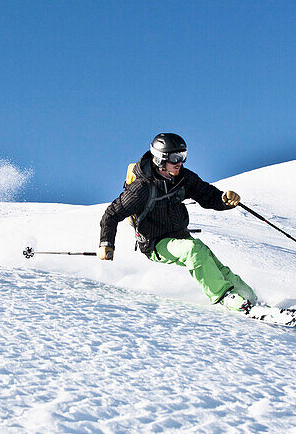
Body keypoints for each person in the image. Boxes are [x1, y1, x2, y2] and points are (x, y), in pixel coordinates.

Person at [98, 133, 259, 314]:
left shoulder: (183, 178)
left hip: (181, 236)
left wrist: (224, 200)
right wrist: (106, 242)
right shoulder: (141, 188)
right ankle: (226, 298)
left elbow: (207, 194)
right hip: (155, 243)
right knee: (194, 251)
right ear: (160, 159)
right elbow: (111, 214)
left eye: (182, 156)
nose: (180, 162)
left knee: (213, 263)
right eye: (175, 158)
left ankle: (251, 299)